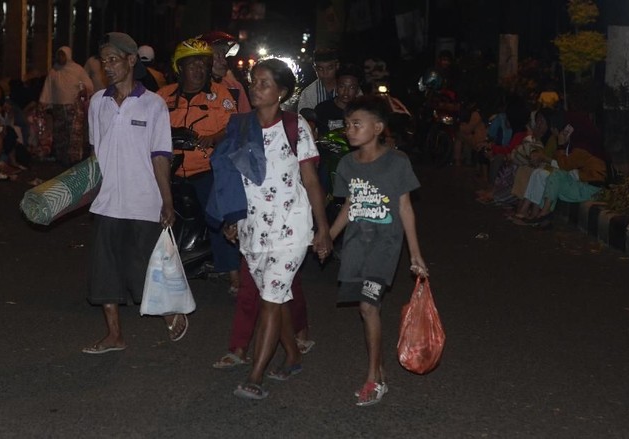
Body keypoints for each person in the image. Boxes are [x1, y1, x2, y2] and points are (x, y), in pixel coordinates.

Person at [210, 58, 331, 400]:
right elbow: (233, 179)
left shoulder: (296, 126)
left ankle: (256, 375)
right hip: (253, 229)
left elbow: (310, 180)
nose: (255, 88)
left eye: (264, 83)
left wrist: (322, 229)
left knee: (270, 299)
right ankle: (292, 356)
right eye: (254, 82)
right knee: (275, 300)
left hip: (291, 228)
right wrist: (231, 218)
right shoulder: (242, 126)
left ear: (282, 91)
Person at [328, 95, 428, 406]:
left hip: (385, 247)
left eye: (357, 124)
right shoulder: (346, 164)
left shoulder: (397, 162)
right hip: (356, 245)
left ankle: (373, 379)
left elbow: (405, 208)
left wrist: (415, 254)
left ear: (379, 127)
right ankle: (380, 368)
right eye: (347, 125)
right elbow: (349, 205)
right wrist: (328, 237)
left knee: (368, 307)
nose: (350, 130)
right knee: (365, 308)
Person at [82, 32, 176, 354]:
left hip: (143, 200)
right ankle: (114, 335)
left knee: (146, 267)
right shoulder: (97, 102)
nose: (107, 66)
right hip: (106, 200)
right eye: (103, 60)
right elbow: (96, 154)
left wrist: (167, 200)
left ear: (131, 60)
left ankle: (169, 312)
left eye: (113, 59)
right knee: (104, 269)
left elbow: (160, 155)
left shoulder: (154, 104)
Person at [156, 38, 241, 300]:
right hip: (166, 170)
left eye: (203, 64)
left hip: (203, 168)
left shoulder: (221, 95)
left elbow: (233, 127)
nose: (199, 70)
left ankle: (234, 274)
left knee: (218, 214)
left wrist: (214, 137)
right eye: (192, 64)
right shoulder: (163, 96)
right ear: (179, 68)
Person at [39, 46, 93, 167]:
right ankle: (61, 158)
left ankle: (74, 159)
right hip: (58, 108)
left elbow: (88, 84)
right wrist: (43, 102)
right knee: (60, 133)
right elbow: (48, 88)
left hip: (73, 107)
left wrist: (84, 90)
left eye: (63, 55)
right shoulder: (54, 71)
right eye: (59, 55)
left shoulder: (77, 70)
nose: (60, 58)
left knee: (74, 134)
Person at [198, 31, 251, 112]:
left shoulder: (234, 87)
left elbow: (245, 119)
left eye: (224, 56)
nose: (224, 62)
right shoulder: (191, 88)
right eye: (218, 56)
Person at [314, 63, 363, 137]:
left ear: (357, 90)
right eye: (342, 86)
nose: (346, 92)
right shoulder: (322, 109)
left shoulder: (363, 111)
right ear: (336, 88)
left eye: (351, 88)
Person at [297, 47, 339, 112]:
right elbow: (303, 120)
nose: (325, 73)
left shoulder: (350, 88)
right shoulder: (308, 93)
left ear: (337, 66)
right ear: (315, 68)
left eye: (329, 68)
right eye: (320, 69)